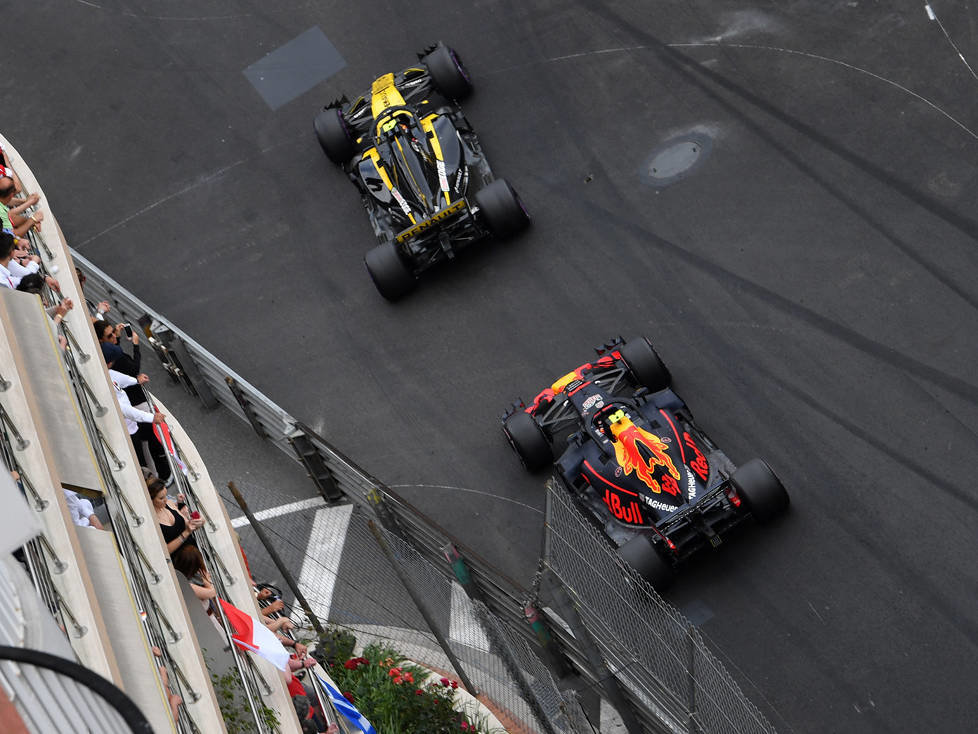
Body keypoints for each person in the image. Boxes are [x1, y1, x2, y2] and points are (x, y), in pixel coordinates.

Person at [110, 370, 171, 483]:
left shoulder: (108, 373)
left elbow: (119, 378)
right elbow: (124, 410)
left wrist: (136, 380)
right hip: (127, 432)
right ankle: (152, 486)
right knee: (140, 462)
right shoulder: (107, 389)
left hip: (131, 426)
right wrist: (151, 418)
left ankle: (155, 482)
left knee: (142, 456)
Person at [148, 477, 201, 556]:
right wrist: (186, 533)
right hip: (181, 561)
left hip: (194, 549)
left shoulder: (169, 503)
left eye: (166, 495)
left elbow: (186, 523)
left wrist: (194, 521)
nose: (166, 499)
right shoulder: (151, 521)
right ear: (150, 499)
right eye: (161, 498)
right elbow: (165, 551)